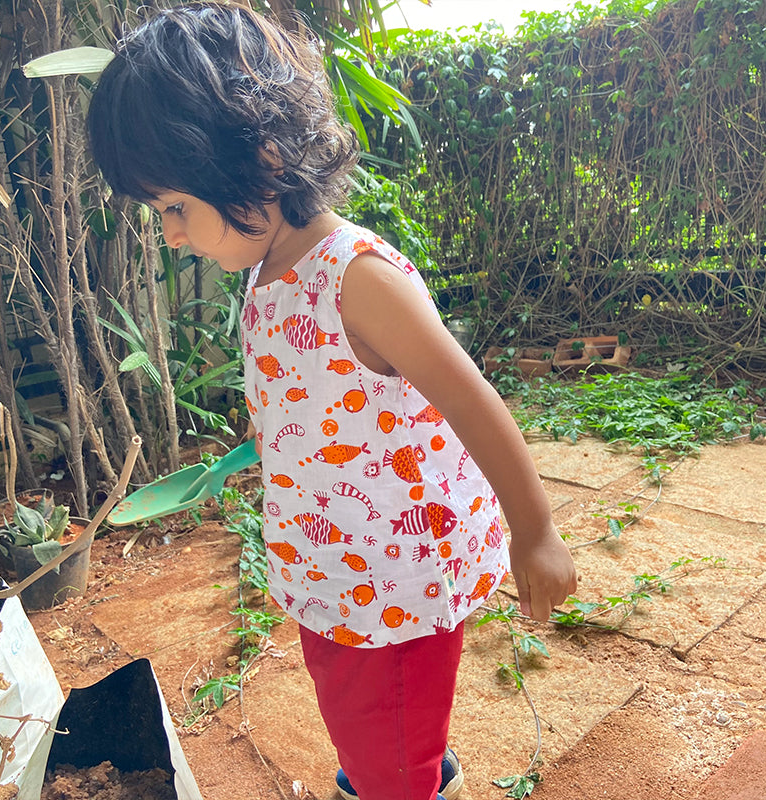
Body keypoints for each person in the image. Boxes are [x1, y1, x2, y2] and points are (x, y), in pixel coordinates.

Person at [86, 5, 577, 800]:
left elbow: (469, 397)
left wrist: (537, 528)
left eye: (174, 207)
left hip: (395, 585)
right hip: (337, 570)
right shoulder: (266, 268)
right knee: (373, 726)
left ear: (261, 161)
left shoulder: (358, 279)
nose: (168, 234)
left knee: (386, 749)